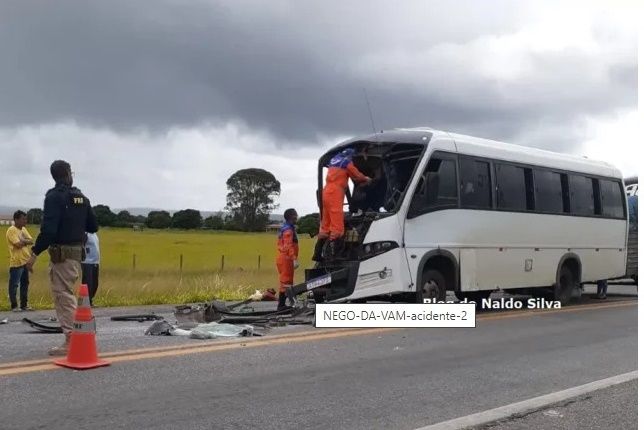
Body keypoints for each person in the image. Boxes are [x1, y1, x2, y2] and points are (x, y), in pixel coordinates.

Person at [26, 160, 98, 356]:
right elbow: (93, 226)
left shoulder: (54, 197)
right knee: (68, 294)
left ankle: (72, 339)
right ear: (68, 173)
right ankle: (77, 335)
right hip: (77, 255)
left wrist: (34, 253)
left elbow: (48, 231)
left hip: (62, 256)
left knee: (63, 295)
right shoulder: (81, 197)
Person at [313, 147, 371, 260]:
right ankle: (335, 255)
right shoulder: (347, 162)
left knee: (325, 225)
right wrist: (366, 179)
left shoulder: (334, 160)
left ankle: (317, 253)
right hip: (335, 193)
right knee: (337, 228)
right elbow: (357, 175)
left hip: (325, 192)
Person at [6, 210, 34, 311]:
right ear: (16, 219)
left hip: (25, 261)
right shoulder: (11, 230)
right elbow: (17, 244)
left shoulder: (23, 229)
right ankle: (14, 306)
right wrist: (24, 241)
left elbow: (31, 240)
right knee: (14, 285)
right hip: (16, 262)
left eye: (26, 219)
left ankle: (24, 305)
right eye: (23, 219)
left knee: (25, 284)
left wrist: (23, 241)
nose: (25, 221)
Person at [276, 208, 299, 311]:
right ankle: (281, 305)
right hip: (287, 258)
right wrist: (293, 259)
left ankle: (286, 304)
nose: (297, 217)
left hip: (284, 258)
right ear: (292, 216)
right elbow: (288, 245)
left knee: (287, 282)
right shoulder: (288, 230)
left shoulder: (286, 228)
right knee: (286, 282)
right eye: (295, 215)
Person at [82, 232, 100, 307]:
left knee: (94, 283)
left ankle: (90, 301)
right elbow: (81, 244)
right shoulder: (85, 233)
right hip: (87, 261)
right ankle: (84, 302)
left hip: (95, 261)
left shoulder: (94, 234)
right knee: (88, 282)